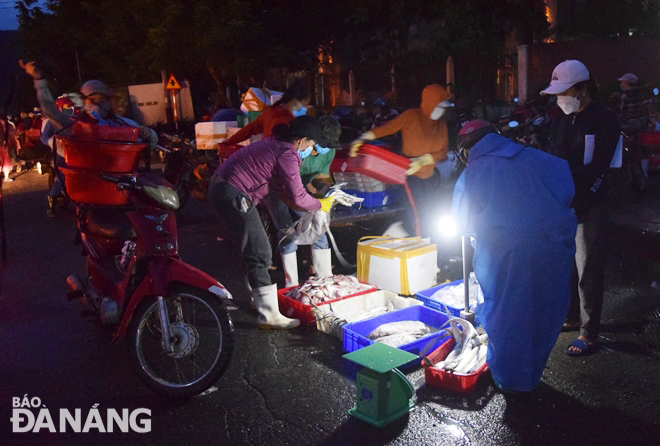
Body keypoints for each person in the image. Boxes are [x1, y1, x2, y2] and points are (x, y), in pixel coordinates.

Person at [452, 119, 577, 393]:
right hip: (554, 249)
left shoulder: (474, 171)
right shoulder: (542, 158)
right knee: (545, 311)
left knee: (509, 317)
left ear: (465, 151)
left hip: (507, 256)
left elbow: (463, 221)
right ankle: (533, 372)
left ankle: (513, 382)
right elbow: (568, 192)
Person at [207, 116, 334, 329]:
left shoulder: (275, 145)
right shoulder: (287, 153)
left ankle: (257, 301)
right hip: (232, 192)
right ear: (302, 140)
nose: (311, 149)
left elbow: (280, 191)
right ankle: (269, 315)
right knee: (260, 251)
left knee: (250, 248)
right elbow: (298, 197)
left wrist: (310, 205)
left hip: (223, 189)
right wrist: (321, 205)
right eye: (311, 144)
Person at [542, 60, 621, 357]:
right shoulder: (561, 119)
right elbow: (553, 157)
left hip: (590, 203)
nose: (560, 98)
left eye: (565, 91)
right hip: (563, 203)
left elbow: (600, 165)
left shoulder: (605, 118)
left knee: (588, 265)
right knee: (567, 266)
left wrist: (582, 196)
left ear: (583, 89)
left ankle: (590, 331)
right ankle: (572, 316)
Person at [350, 84, 454, 238]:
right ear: (430, 103)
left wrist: (425, 159)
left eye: (443, 108)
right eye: (439, 106)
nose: (441, 111)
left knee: (430, 216)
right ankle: (418, 247)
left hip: (430, 177)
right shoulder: (411, 116)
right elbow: (389, 128)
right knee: (418, 218)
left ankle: (421, 244)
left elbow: (443, 151)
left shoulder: (441, 125)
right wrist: (365, 137)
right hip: (411, 176)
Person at [19, 60, 157, 156]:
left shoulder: (122, 124)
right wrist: (40, 81)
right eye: (91, 99)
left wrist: (148, 133)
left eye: (101, 99)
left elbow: (150, 141)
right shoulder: (75, 126)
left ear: (109, 101)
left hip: (119, 189)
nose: (97, 104)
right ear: (83, 101)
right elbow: (50, 110)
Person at [219, 77, 310, 148]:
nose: (303, 107)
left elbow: (250, 128)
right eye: (302, 104)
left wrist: (230, 141)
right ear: (294, 101)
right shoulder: (286, 119)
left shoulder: (270, 111)